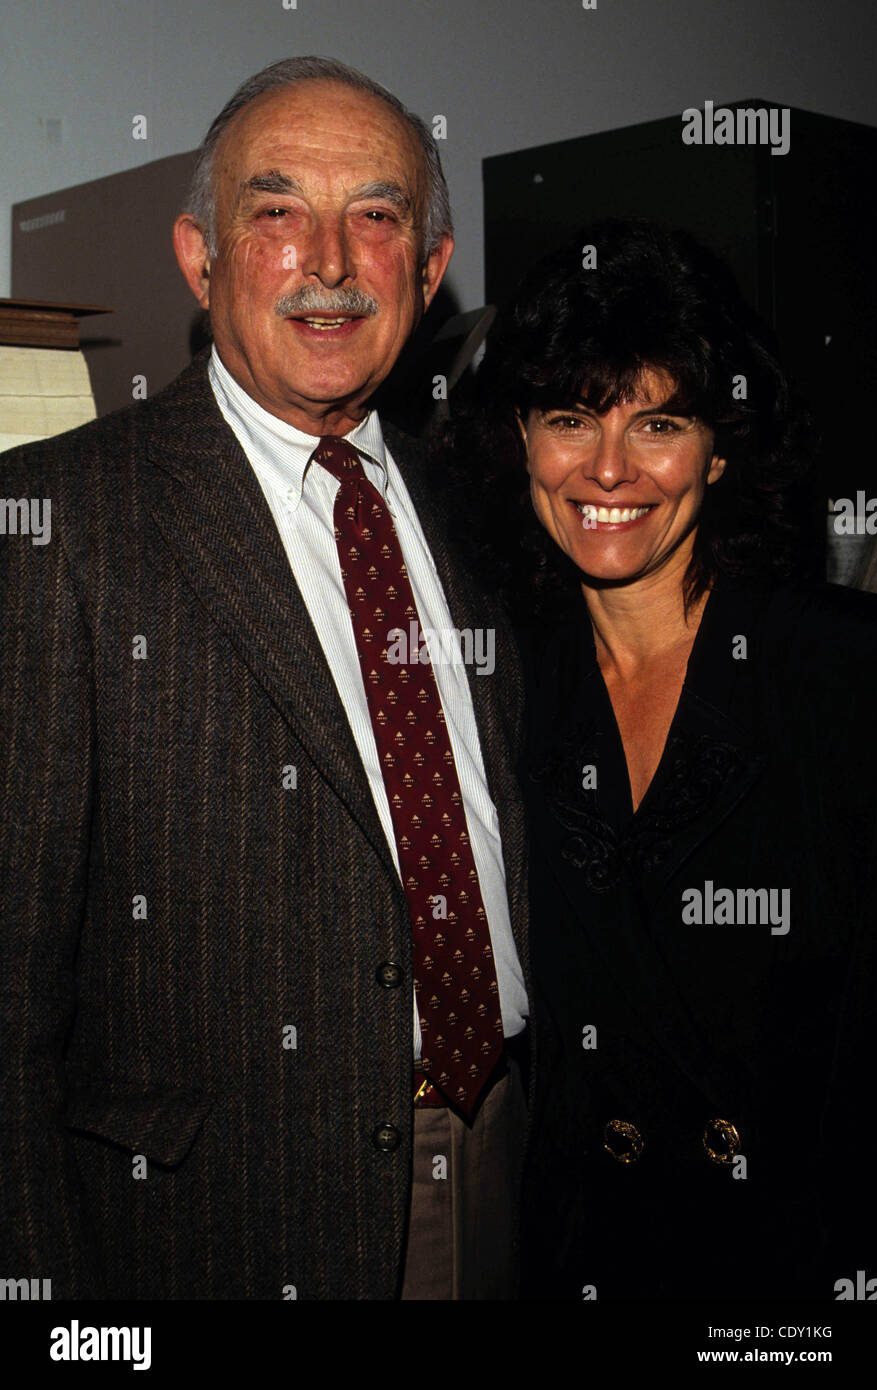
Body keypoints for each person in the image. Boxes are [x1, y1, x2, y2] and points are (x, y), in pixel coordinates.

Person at [0, 56, 530, 1301]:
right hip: (214, 1224)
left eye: (379, 217)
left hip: (508, 1158)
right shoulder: (56, 519)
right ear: (201, 256)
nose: (332, 262)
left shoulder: (492, 514)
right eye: (278, 212)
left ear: (432, 266)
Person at [444, 219, 877, 1299]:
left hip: (794, 1260)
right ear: (521, 441)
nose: (608, 469)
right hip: (585, 1251)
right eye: (569, 418)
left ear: (721, 447)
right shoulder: (500, 687)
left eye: (660, 423)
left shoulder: (846, 673)